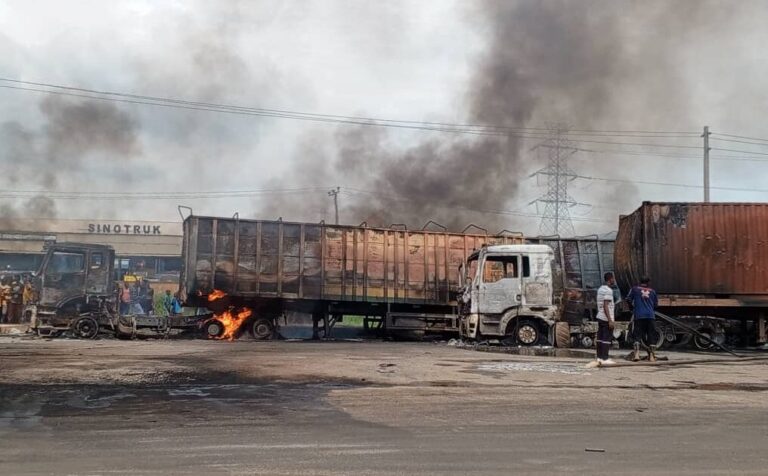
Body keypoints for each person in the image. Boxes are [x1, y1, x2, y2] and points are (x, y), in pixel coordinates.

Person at [626, 276, 660, 362]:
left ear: (640, 281)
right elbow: (656, 305)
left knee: (637, 335)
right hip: (650, 316)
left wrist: (632, 308)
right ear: (648, 282)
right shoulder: (653, 292)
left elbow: (628, 299)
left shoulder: (635, 289)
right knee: (651, 335)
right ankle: (652, 356)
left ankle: (637, 355)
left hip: (639, 315)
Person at [588, 272, 617, 367]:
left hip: (600, 316)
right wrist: (610, 320)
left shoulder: (600, 289)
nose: (614, 280)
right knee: (606, 339)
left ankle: (599, 357)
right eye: (613, 278)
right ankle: (605, 358)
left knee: (600, 338)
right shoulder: (608, 290)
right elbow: (605, 305)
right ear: (610, 279)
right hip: (605, 317)